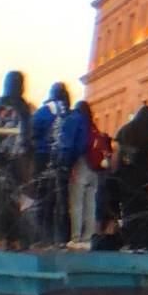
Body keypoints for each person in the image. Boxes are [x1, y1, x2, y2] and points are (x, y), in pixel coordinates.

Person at [0, 70, 33, 248]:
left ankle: (0, 237)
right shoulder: (23, 106)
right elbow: (28, 135)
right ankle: (16, 238)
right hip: (17, 160)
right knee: (14, 198)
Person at [114, 106, 148, 251]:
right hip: (144, 178)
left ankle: (128, 242)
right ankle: (140, 243)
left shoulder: (123, 130)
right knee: (142, 210)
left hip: (125, 176)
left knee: (127, 209)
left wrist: (114, 171)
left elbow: (116, 152)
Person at [31, 82, 71, 245]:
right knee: (61, 198)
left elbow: (32, 131)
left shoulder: (44, 111)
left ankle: (43, 237)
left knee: (43, 197)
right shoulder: (69, 113)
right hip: (63, 160)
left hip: (43, 156)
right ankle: (61, 238)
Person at [59, 101, 98, 249]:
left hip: (80, 163)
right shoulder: (92, 125)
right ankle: (87, 239)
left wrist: (69, 164)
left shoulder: (76, 121)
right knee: (90, 204)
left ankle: (75, 238)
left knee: (76, 203)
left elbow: (74, 145)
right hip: (94, 167)